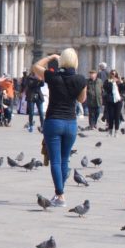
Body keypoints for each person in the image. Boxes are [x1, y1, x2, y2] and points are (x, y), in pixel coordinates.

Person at [33, 49, 87, 208]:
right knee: (65, 159)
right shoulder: (80, 79)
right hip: (70, 123)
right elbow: (81, 99)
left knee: (55, 161)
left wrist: (51, 57)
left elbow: (35, 66)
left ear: (61, 61)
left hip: (53, 122)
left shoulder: (53, 76)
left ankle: (60, 195)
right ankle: (60, 193)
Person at [103, 70, 123, 136]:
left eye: (114, 74)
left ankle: (116, 131)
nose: (113, 75)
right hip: (110, 100)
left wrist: (120, 81)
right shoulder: (107, 81)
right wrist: (112, 82)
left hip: (118, 101)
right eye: (112, 74)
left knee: (117, 116)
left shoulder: (119, 81)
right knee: (110, 116)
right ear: (110, 74)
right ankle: (110, 130)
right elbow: (106, 88)